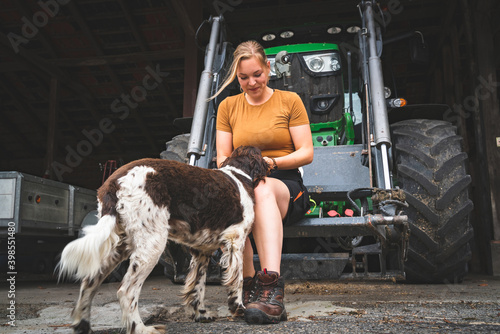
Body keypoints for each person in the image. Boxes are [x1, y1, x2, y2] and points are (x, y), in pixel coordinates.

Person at [213, 40, 313, 324]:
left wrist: (272, 163)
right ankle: (246, 286)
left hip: (283, 184)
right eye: (243, 77)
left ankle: (271, 289)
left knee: (264, 188)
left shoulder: (289, 101)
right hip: (243, 180)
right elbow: (222, 157)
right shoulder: (228, 106)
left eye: (256, 74)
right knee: (234, 201)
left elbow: (306, 152)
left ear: (268, 68)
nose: (251, 82)